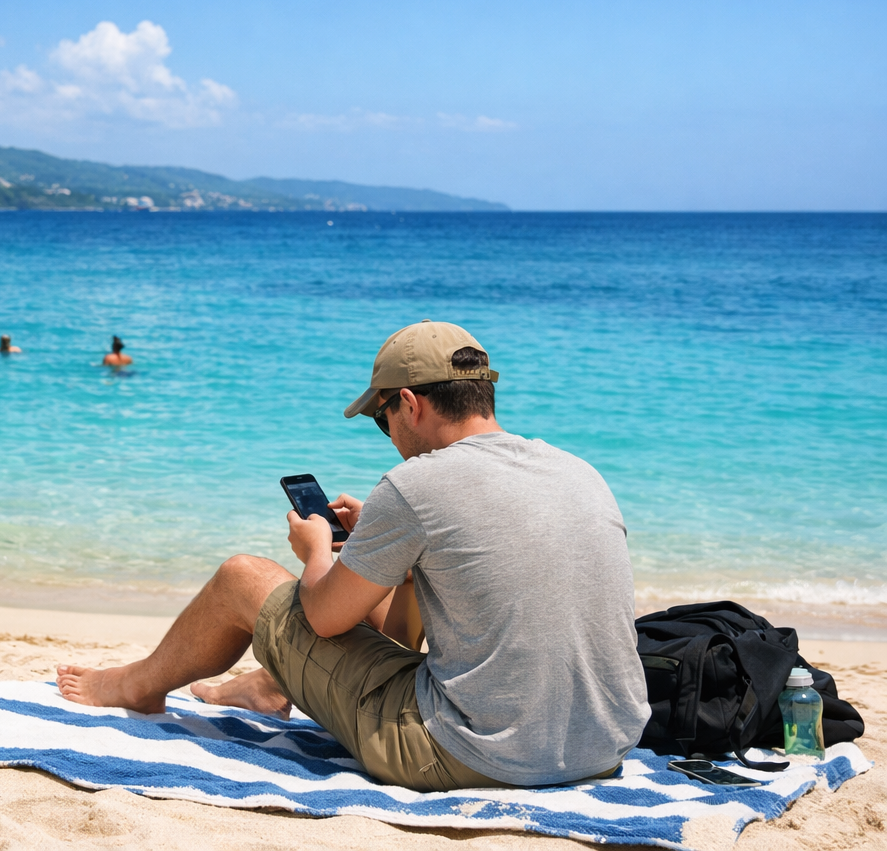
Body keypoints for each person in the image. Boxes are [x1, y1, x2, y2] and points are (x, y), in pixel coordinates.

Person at [56, 320, 649, 793]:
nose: (387, 434)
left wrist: (315, 550)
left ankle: (134, 687)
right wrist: (399, 557)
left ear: (411, 404)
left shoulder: (418, 484)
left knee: (243, 577)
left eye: (380, 417)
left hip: (474, 757)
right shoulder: (579, 472)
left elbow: (321, 619)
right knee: (372, 595)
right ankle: (269, 685)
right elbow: (403, 640)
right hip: (598, 751)